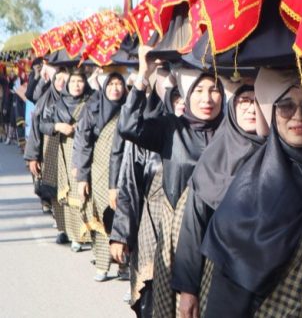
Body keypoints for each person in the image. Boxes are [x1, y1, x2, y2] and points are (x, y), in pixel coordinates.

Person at [200, 68, 302, 316]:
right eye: (286, 107)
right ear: (273, 114)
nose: (299, 116)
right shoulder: (250, 187)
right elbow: (229, 291)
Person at [118, 45, 224, 318]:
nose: (207, 99)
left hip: (220, 241)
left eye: (214, 90)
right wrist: (144, 74)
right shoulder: (172, 129)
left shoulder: (231, 133)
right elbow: (129, 126)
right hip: (178, 242)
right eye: (198, 91)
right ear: (186, 94)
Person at [174, 80, 269, 318]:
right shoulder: (214, 159)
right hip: (218, 276)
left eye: (258, 102)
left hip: (267, 284)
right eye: (244, 101)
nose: (250, 109)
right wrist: (188, 289)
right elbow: (193, 227)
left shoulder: (279, 156)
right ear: (232, 106)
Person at [111, 73, 180, 317]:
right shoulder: (147, 132)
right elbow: (129, 184)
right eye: (164, 77)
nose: (172, 84)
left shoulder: (205, 133)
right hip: (152, 230)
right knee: (152, 301)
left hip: (189, 238)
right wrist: (121, 234)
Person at [73, 72, 128, 281]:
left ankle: (123, 265)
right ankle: (103, 264)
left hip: (123, 171)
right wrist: (82, 177)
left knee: (121, 217)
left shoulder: (129, 109)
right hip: (98, 172)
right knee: (101, 216)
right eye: (111, 84)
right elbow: (83, 144)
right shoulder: (93, 109)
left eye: (119, 84)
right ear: (104, 87)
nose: (115, 88)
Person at [39, 68, 93, 251]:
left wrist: (82, 126)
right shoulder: (58, 104)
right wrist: (57, 126)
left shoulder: (92, 102)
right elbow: (42, 124)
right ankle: (67, 231)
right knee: (64, 194)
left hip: (85, 153)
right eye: (72, 82)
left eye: (80, 81)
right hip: (62, 153)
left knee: (83, 193)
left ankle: (83, 233)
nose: (76, 86)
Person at [25, 66, 69, 231]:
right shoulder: (44, 100)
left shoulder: (76, 99)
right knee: (54, 189)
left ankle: (73, 229)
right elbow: (35, 130)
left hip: (70, 150)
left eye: (65, 80)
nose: (61, 83)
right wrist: (33, 157)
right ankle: (61, 225)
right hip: (49, 150)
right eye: (58, 79)